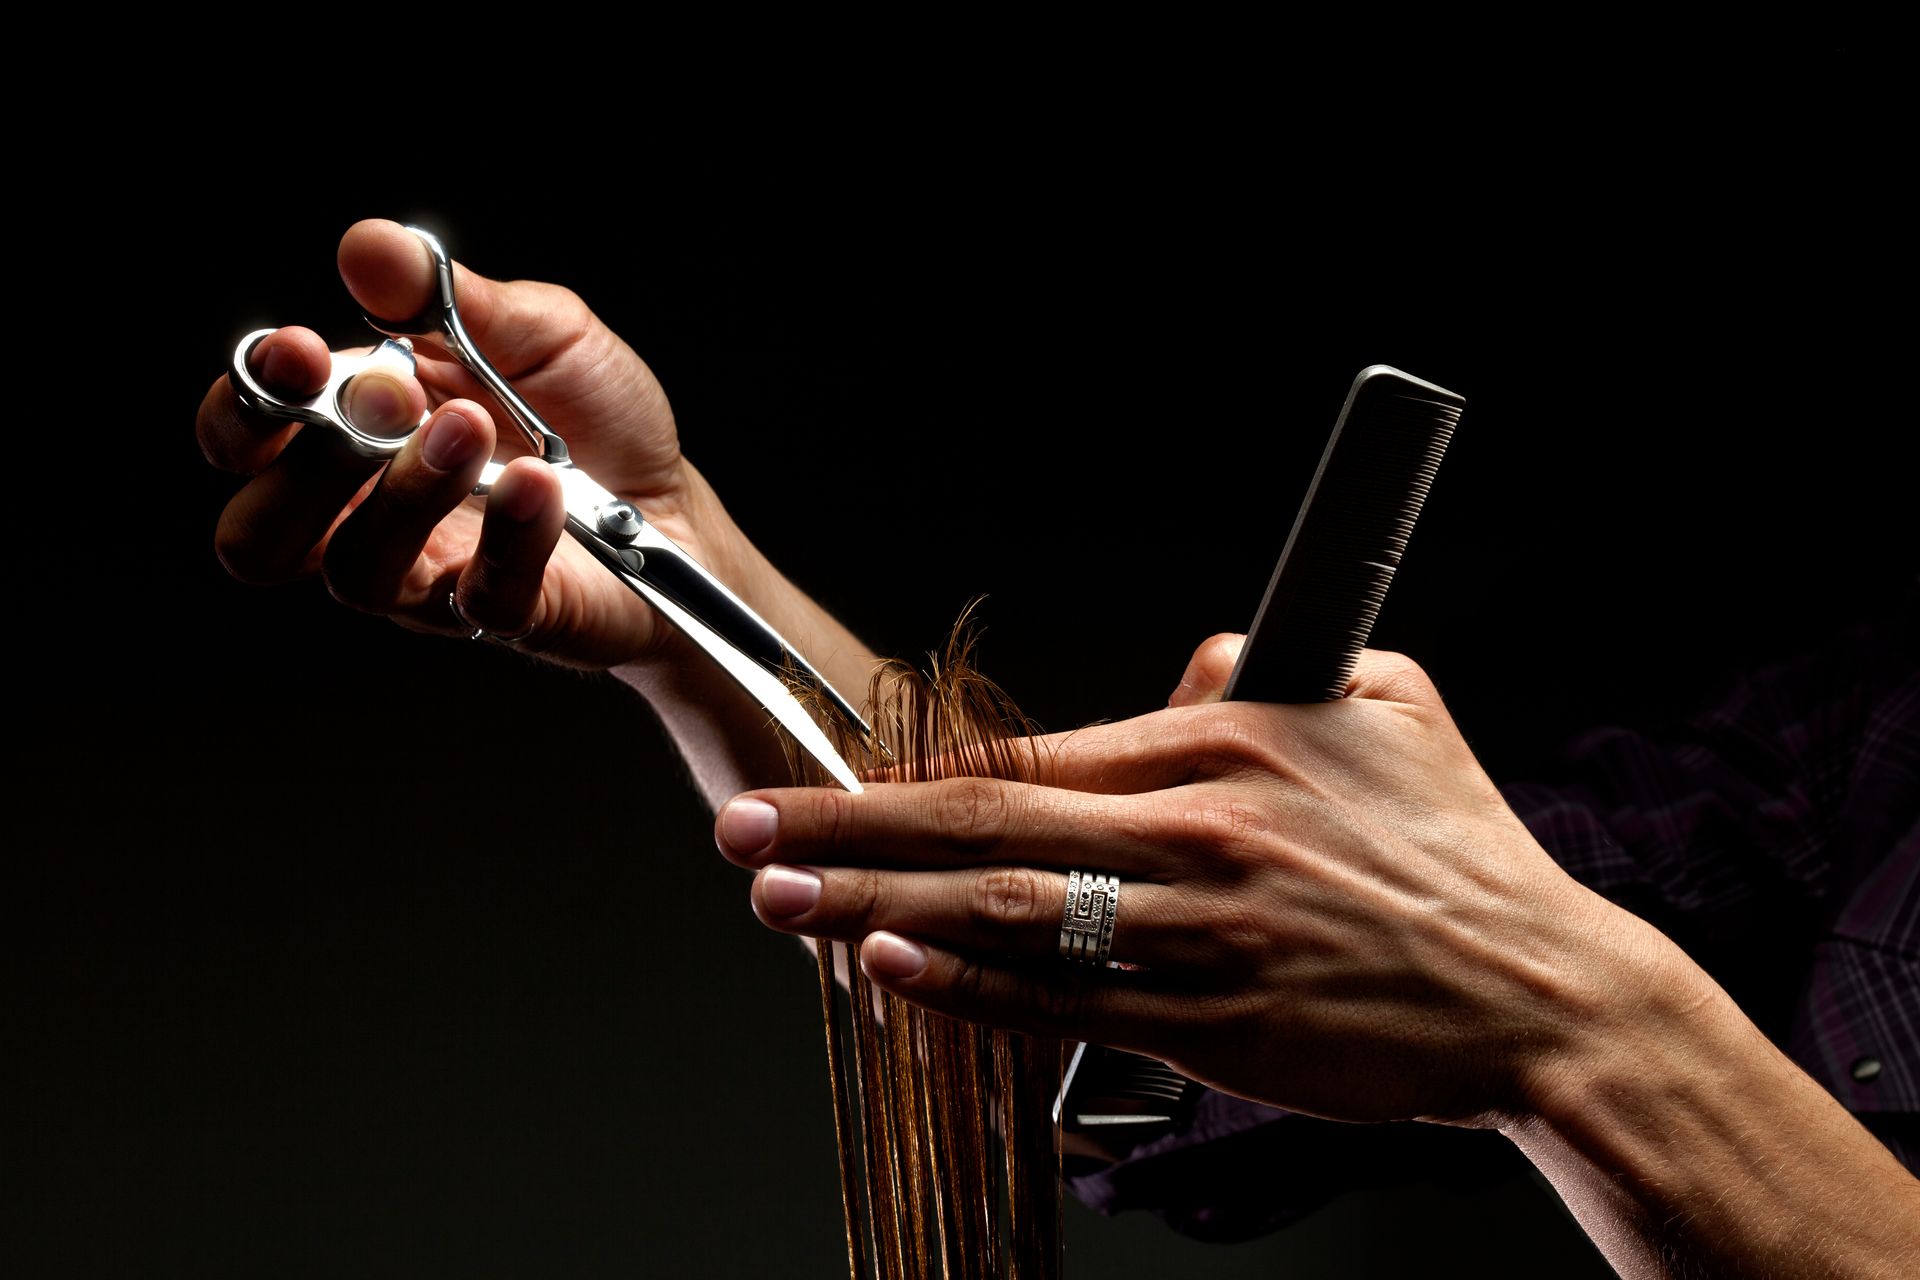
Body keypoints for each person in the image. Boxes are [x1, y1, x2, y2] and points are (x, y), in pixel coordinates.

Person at [198, 220, 1919, 1278]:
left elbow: (1474, 965)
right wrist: (680, 574)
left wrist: (1581, 1023)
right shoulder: (1864, 739)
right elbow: (1129, 976)